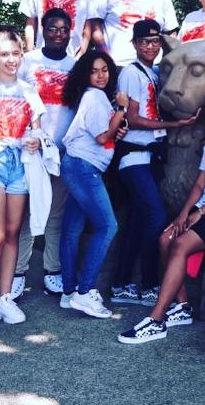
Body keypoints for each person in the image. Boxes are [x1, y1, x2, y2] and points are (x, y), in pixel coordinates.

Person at [118, 86, 205, 344]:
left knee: (181, 244)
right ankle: (182, 307)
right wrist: (184, 214)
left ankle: (156, 319)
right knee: (165, 238)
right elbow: (199, 184)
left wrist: (201, 212)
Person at [110, 19, 199, 306]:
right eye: (144, 41)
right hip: (134, 155)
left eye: (155, 41)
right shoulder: (131, 74)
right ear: (135, 44)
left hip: (150, 156)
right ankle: (149, 283)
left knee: (138, 221)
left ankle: (122, 284)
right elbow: (132, 119)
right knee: (156, 217)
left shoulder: (156, 72)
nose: (150, 46)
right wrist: (174, 124)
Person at [0, 26, 46, 330]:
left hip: (22, 164)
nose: (11, 59)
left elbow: (39, 128)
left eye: (16, 53)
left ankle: (5, 298)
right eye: (5, 54)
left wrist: (36, 139)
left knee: (14, 233)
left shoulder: (29, 91)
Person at [58, 51, 129, 318]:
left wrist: (116, 126)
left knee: (72, 229)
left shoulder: (94, 98)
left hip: (77, 165)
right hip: (84, 168)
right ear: (85, 75)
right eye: (94, 71)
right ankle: (85, 292)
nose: (101, 76)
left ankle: (68, 292)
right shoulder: (96, 96)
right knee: (108, 226)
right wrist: (122, 110)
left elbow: (107, 134)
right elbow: (101, 138)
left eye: (105, 70)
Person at [13, 7, 76, 298]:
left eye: (64, 29)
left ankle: (52, 270)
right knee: (28, 211)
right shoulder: (28, 62)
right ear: (42, 31)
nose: (58, 34)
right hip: (31, 149)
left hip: (61, 151)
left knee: (55, 214)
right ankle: (17, 271)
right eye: (52, 28)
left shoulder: (75, 65)